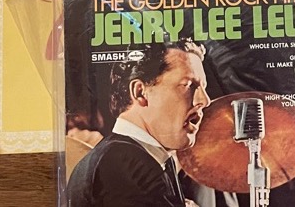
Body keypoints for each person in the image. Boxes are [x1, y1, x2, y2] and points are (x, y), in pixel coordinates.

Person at [67, 41, 209, 207]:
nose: (204, 100)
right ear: (140, 92)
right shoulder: (125, 166)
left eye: (204, 87)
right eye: (188, 85)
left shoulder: (131, 157)